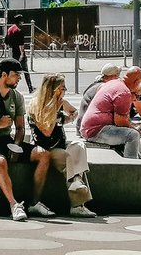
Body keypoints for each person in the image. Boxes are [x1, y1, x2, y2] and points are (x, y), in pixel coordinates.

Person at [0, 58, 54, 221]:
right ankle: (14, 205)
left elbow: (20, 128)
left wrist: (16, 146)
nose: (19, 78)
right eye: (16, 74)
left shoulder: (17, 97)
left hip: (6, 141)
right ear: (4, 75)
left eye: (20, 74)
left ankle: (34, 203)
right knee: (1, 162)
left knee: (43, 155)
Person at [27, 73, 96, 217]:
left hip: (61, 144)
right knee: (71, 160)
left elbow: (72, 112)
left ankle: (76, 182)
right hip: (46, 148)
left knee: (79, 146)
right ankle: (77, 204)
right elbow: (46, 132)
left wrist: (68, 117)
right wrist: (54, 109)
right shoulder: (36, 104)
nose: (64, 91)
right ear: (52, 89)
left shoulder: (59, 102)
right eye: (61, 88)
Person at [80, 66, 141, 159]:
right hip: (96, 130)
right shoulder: (123, 92)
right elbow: (120, 122)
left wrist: (135, 125)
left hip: (89, 127)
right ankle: (132, 166)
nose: (136, 99)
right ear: (136, 82)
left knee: (132, 132)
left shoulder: (113, 83)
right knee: (132, 135)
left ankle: (139, 160)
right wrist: (135, 127)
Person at [76, 63, 122, 137]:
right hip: (88, 129)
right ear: (113, 76)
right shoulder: (104, 88)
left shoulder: (95, 85)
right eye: (118, 76)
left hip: (83, 126)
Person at [6, 14, 34, 93]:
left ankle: (11, 87)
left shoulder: (10, 29)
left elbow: (6, 41)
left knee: (14, 70)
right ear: (20, 21)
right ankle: (30, 87)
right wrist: (22, 54)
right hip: (19, 52)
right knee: (25, 70)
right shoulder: (19, 31)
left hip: (12, 51)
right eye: (22, 21)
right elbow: (21, 44)